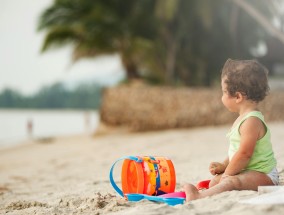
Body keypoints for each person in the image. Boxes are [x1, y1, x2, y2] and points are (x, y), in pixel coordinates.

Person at [183, 59, 279, 201]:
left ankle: (197, 196)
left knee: (230, 181)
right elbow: (238, 150)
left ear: (238, 97)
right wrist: (224, 165)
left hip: (265, 175)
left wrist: (228, 174)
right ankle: (210, 190)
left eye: (224, 92)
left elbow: (245, 154)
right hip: (250, 170)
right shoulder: (243, 119)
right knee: (215, 181)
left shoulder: (251, 121)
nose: (221, 97)